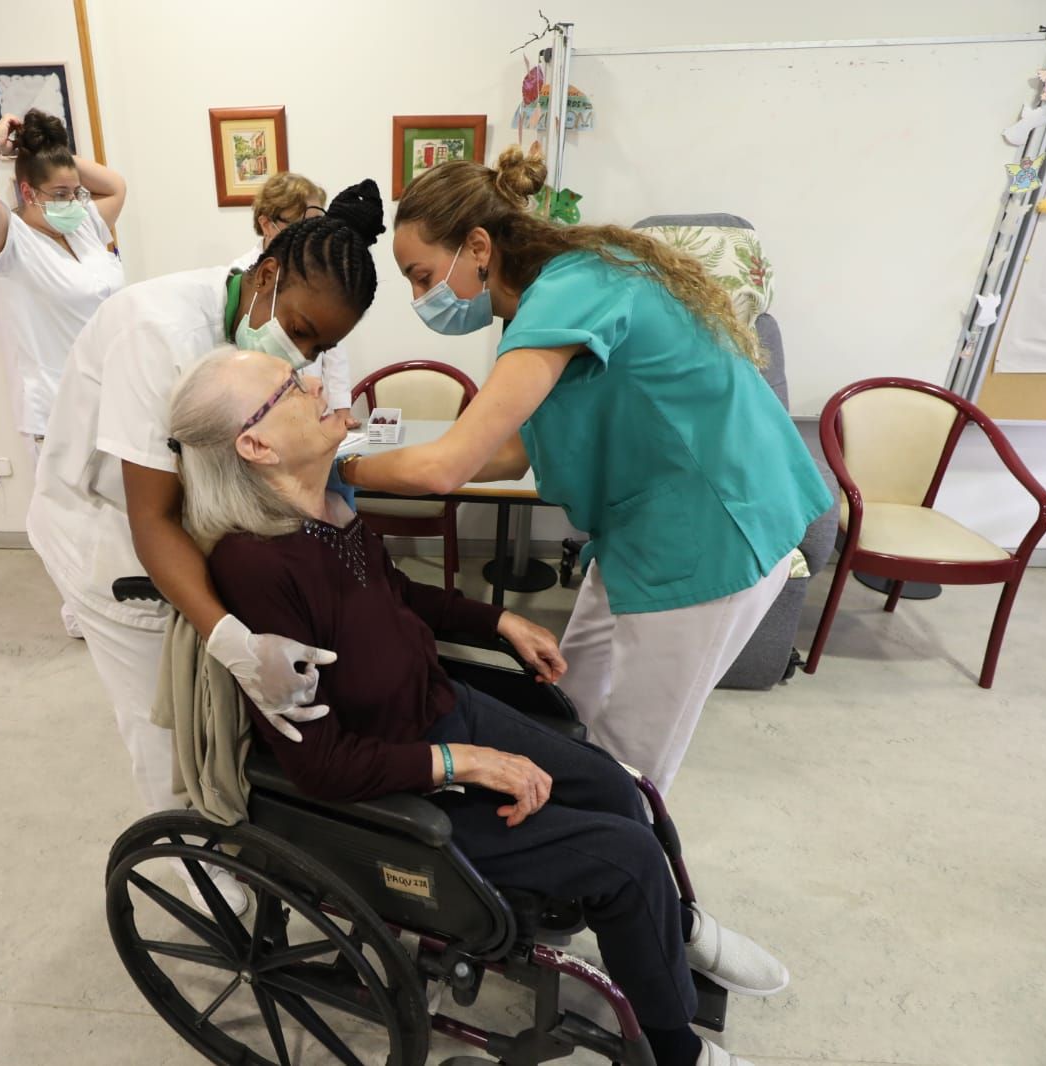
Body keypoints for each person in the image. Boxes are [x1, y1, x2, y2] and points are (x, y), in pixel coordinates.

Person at [170, 347, 788, 1066]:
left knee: (621, 789)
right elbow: (323, 767)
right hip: (395, 787)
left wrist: (496, 621)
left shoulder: (329, 508)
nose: (313, 382)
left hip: (440, 708)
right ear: (256, 444)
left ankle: (670, 932)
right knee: (625, 860)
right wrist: (461, 762)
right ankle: (679, 1052)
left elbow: (397, 596)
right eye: (287, 387)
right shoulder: (256, 567)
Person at [338, 144, 833, 791]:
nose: (421, 297)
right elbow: (513, 451)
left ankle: (623, 874)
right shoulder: (566, 289)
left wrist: (336, 469)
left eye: (422, 275)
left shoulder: (566, 296)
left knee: (629, 762)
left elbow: (446, 466)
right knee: (572, 699)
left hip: (711, 538)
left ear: (478, 246)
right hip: (646, 531)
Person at [25, 184, 386, 907]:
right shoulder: (156, 332)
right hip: (108, 538)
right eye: (305, 333)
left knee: (215, 708)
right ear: (264, 276)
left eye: (322, 348)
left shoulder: (264, 325)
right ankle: (197, 871)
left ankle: (239, 830)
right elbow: (151, 516)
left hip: (191, 524)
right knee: (163, 719)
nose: (304, 360)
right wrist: (232, 641)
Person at [0, 108, 128, 639]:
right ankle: (81, 613)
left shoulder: (88, 228)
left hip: (113, 393)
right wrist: (0, 140)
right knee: (72, 518)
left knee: (120, 512)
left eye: (76, 192)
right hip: (53, 405)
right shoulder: (6, 242)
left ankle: (118, 600)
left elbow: (115, 184)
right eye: (59, 193)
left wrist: (50, 149)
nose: (75, 200)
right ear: (26, 192)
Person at [229, 173, 357, 428]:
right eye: (300, 227)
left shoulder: (320, 271)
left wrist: (342, 407)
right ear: (266, 224)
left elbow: (333, 347)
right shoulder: (239, 276)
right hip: (258, 414)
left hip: (312, 407)